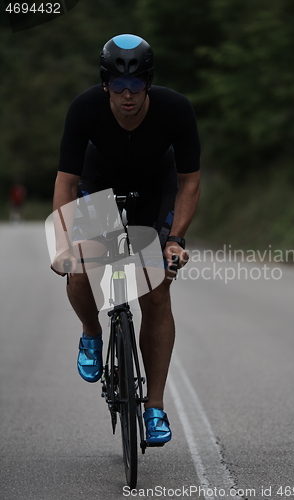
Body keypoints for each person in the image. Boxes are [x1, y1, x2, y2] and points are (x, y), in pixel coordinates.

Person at [51, 34, 200, 445]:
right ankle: (91, 333)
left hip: (156, 192)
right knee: (80, 272)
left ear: (149, 84)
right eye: (118, 86)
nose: (128, 95)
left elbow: (189, 183)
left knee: (155, 290)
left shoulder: (176, 109)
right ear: (105, 85)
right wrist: (63, 243)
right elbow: (66, 182)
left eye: (136, 86)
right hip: (99, 190)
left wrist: (175, 240)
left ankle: (154, 408)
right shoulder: (84, 109)